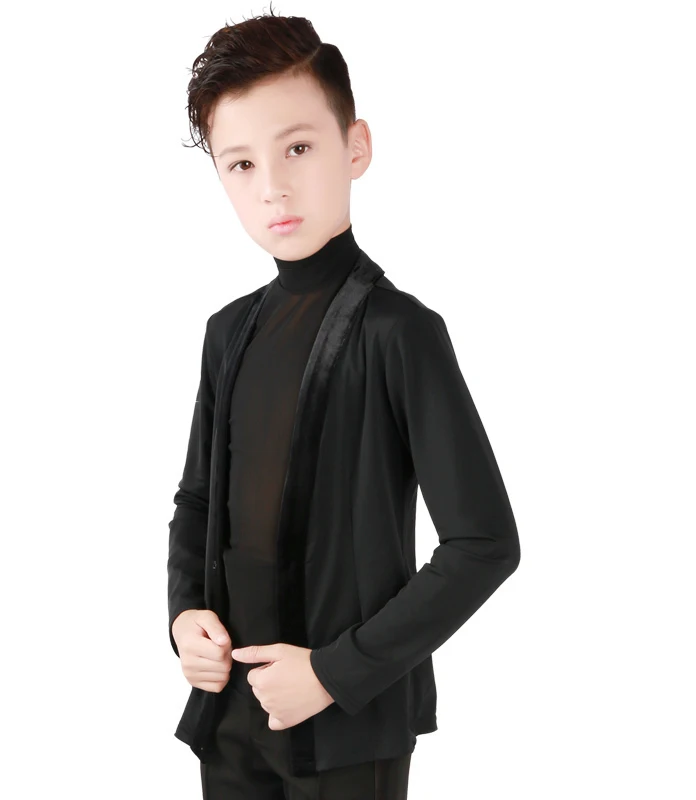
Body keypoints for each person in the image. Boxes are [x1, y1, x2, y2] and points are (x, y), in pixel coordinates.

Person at [168, 7, 521, 798]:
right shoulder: (227, 333)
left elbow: (484, 543)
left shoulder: (401, 333)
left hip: (346, 725)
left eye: (297, 148)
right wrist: (185, 616)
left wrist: (335, 671)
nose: (273, 187)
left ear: (355, 147)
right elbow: (197, 501)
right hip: (230, 712)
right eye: (241, 164)